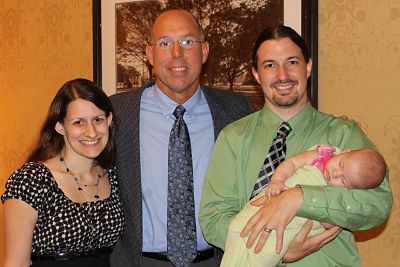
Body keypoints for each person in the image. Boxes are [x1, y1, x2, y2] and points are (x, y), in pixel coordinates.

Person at [199, 25, 393, 267]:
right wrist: (277, 249)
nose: (282, 75)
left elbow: (378, 205)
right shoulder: (233, 138)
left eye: (292, 62)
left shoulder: (343, 134)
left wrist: (300, 198)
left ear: (308, 66)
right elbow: (213, 218)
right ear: (256, 75)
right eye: (270, 65)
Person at [108, 8, 251, 267]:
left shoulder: (235, 111)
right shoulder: (116, 113)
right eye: (164, 43)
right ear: (150, 54)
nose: (177, 54)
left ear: (204, 51)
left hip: (219, 260)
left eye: (187, 42)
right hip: (139, 262)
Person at [1, 78, 125, 267]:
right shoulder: (31, 180)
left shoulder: (113, 176)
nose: (91, 132)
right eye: (78, 122)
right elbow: (16, 263)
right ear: (60, 127)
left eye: (98, 120)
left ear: (108, 120)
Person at [221, 145, 387, 267]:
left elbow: (331, 224)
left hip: (288, 231)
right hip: (263, 207)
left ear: (351, 189)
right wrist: (277, 181)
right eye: (341, 164)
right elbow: (292, 163)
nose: (335, 173)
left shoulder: (335, 196)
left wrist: (326, 218)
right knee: (237, 233)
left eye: (343, 180)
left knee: (262, 256)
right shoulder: (320, 157)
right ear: (346, 151)